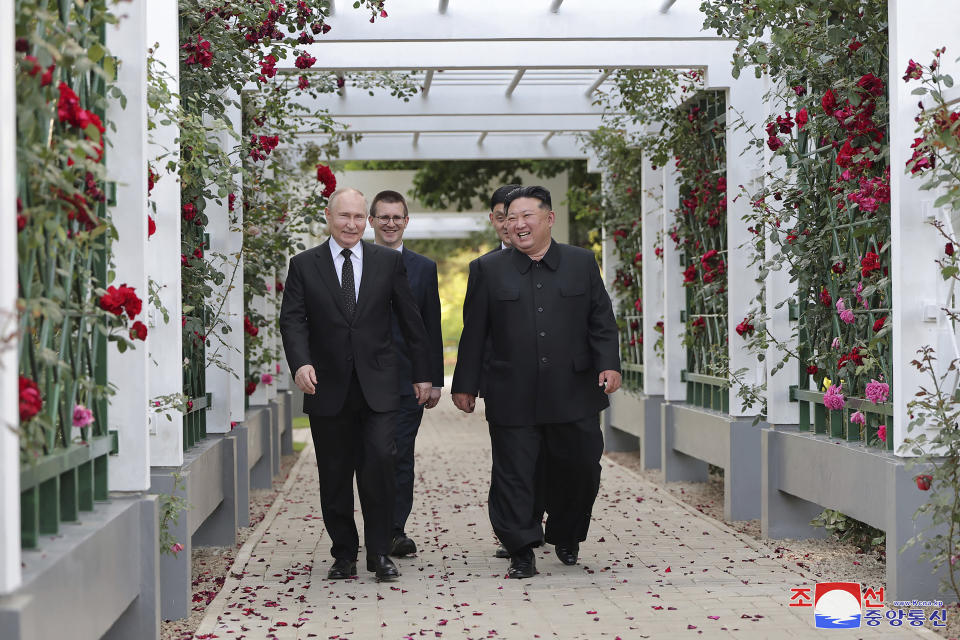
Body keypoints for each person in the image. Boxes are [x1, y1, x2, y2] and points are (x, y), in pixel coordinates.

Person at [451, 185, 622, 579]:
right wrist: (465, 384)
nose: (518, 224)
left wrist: (608, 364)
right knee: (514, 472)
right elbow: (474, 331)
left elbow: (601, 321)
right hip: (512, 391)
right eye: (511, 217)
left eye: (527, 215)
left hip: (574, 390)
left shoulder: (581, 262)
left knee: (581, 467)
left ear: (549, 218)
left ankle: (566, 532)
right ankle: (521, 548)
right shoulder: (486, 269)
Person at [279, 187, 433, 582]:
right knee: (334, 474)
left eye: (359, 217)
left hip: (379, 386)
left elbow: (412, 321)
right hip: (326, 387)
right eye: (344, 216)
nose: (352, 224)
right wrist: (300, 364)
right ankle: (343, 553)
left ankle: (379, 552)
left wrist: (422, 373)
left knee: (380, 463)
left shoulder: (385, 262)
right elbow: (293, 320)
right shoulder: (304, 265)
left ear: (366, 221)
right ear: (329, 217)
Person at [366, 190, 444, 558]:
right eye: (383, 217)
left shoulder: (424, 268)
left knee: (400, 456)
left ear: (407, 221)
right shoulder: (355, 262)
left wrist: (434, 379)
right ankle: (371, 527)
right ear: (372, 221)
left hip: (407, 382)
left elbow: (431, 324)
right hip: (362, 381)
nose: (391, 223)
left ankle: (394, 531)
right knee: (370, 457)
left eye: (397, 217)